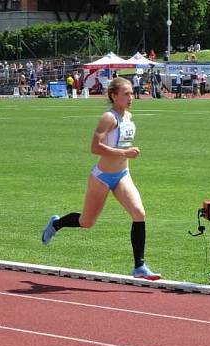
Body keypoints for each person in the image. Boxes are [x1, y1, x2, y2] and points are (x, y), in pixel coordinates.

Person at [41, 77, 160, 281]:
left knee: (139, 213)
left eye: (132, 93)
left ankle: (139, 266)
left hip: (122, 174)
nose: (131, 97)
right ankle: (57, 223)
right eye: (126, 93)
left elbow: (122, 145)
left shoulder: (129, 116)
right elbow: (95, 148)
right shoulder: (109, 118)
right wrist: (124, 153)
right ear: (114, 96)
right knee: (87, 222)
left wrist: (125, 155)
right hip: (102, 177)